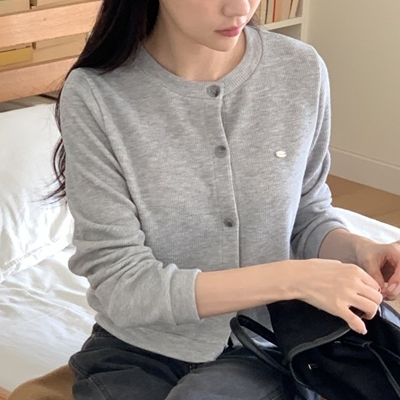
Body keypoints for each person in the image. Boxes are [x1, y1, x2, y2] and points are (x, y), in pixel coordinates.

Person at [51, 0, 400, 399]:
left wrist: (358, 249)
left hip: (263, 342)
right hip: (136, 349)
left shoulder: (300, 69)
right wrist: (293, 279)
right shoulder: (96, 95)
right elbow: (122, 285)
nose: (241, 7)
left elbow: (306, 212)